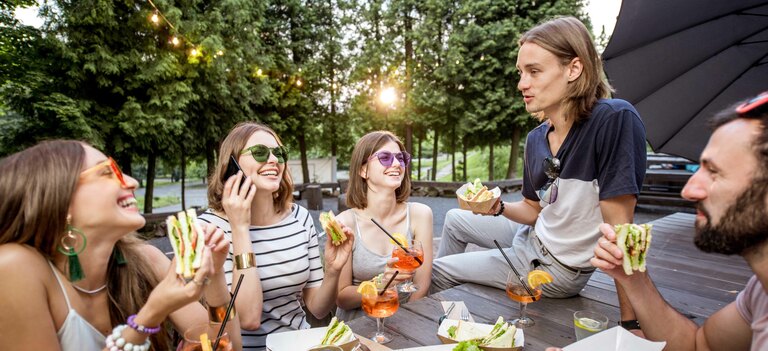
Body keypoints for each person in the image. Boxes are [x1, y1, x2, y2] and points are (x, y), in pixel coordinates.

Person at [430, 16, 646, 323]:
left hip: (554, 267)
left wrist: (630, 324)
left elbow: (620, 231)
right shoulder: (536, 139)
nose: (521, 84)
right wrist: (498, 207)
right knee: (453, 218)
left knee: (438, 270)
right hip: (532, 233)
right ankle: (443, 311)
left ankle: (427, 316)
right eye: (521, 72)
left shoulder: (613, 120)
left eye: (534, 71)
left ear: (574, 68)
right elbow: (533, 209)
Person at [546, 92, 768, 351]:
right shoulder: (760, 292)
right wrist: (633, 278)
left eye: (714, 172)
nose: (689, 190)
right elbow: (699, 345)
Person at [0, 140, 241, 351]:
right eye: (108, 172)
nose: (133, 182)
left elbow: (221, 345)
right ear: (58, 198)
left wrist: (215, 277)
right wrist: (149, 316)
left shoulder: (146, 259)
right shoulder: (14, 267)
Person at [198, 122, 353, 349]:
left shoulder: (300, 217)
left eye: (279, 153)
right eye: (260, 152)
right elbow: (248, 319)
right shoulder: (210, 229)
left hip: (299, 345)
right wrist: (240, 228)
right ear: (231, 165)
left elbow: (317, 308)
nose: (273, 160)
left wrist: (333, 270)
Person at [334, 131, 434, 321]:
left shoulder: (420, 214)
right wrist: (381, 284)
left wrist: (404, 327)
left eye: (401, 158)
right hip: (358, 324)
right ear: (363, 170)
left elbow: (421, 285)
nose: (396, 164)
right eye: (385, 158)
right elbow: (342, 298)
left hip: (405, 321)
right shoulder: (345, 223)